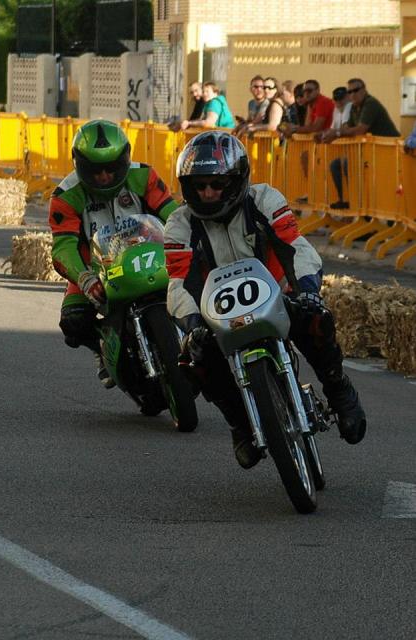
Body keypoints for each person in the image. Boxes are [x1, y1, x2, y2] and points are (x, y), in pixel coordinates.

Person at [164, 131, 366, 470]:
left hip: (277, 294)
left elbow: (295, 246)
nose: (208, 193)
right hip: (218, 314)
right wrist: (193, 324)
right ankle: (240, 424)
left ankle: (337, 387)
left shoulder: (264, 199)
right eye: (199, 186)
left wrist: (307, 292)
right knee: (192, 360)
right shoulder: (179, 223)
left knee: (317, 318)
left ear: (237, 179)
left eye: (217, 183)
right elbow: (178, 281)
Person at [48, 119, 178, 392]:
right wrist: (83, 278)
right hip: (95, 268)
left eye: (111, 168)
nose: (105, 176)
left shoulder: (144, 176)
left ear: (125, 157)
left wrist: (184, 242)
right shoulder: (65, 195)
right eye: (95, 170)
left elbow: (173, 216)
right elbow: (63, 248)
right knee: (72, 322)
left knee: (192, 288)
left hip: (149, 256)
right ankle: (103, 347)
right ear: (79, 164)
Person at [331, 79, 400, 208]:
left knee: (349, 165)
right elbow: (347, 128)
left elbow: (360, 129)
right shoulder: (353, 107)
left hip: (388, 152)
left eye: (356, 90)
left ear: (364, 90)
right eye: (349, 92)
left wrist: (337, 133)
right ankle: (347, 200)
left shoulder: (370, 103)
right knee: (336, 164)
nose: (352, 94)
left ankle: (361, 207)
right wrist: (340, 131)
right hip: (371, 153)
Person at [315, 87, 352, 209]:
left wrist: (331, 133)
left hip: (357, 150)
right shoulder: (337, 109)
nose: (339, 102)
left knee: (347, 166)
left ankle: (352, 201)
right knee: (334, 165)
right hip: (346, 151)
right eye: (337, 99)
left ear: (347, 97)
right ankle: (343, 199)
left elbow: (344, 127)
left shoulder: (349, 106)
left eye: (341, 99)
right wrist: (323, 133)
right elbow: (333, 128)